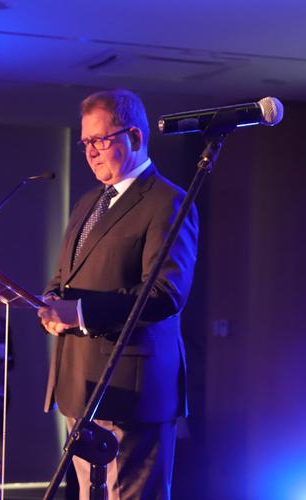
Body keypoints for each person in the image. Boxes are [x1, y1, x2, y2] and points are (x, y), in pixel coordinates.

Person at [37, 89, 198, 499]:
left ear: (135, 136)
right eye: (85, 143)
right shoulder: (88, 202)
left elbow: (165, 294)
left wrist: (80, 312)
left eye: (100, 140)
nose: (90, 152)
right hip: (80, 385)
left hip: (132, 390)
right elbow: (64, 275)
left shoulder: (167, 201)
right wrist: (51, 303)